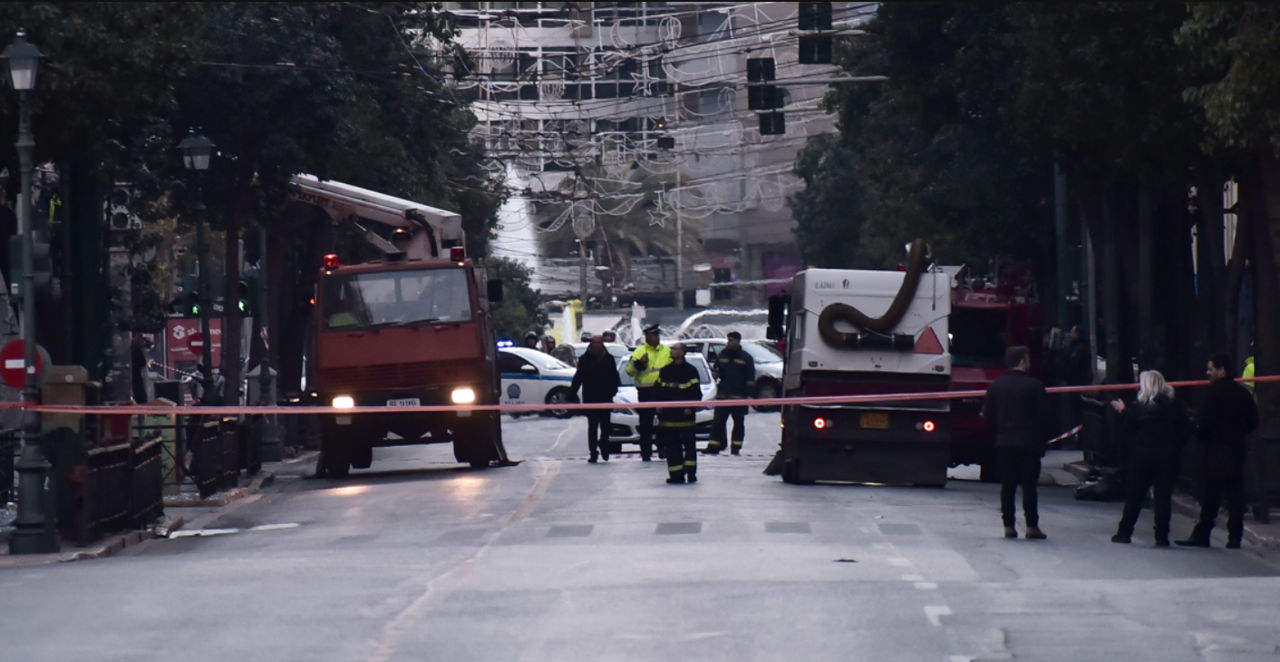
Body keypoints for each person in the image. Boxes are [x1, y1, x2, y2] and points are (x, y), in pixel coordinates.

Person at [1176, 353, 1260, 549]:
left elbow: (1205, 422)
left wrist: (1202, 436)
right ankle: (1235, 537)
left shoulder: (1213, 393)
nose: (1208, 372)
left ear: (1221, 370)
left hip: (1215, 450)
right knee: (1235, 495)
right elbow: (1253, 421)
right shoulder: (1243, 394)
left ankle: (1202, 534)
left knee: (1211, 495)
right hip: (1236, 449)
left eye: (1211, 368)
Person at [1109, 370, 1189, 546]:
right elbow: (1185, 431)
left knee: (1135, 495)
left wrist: (1123, 412)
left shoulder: (1140, 406)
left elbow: (1129, 427)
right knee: (1163, 497)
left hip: (1143, 455)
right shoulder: (1174, 406)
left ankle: (1124, 532)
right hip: (1168, 455)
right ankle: (1162, 536)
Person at [981, 345, 1051, 540]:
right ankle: (1031, 525)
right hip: (1029, 443)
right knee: (1029, 485)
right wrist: (1043, 441)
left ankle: (1009, 525)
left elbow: (988, 415)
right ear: (1022, 361)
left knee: (1007, 485)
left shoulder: (996, 385)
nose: (1030, 363)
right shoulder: (1035, 386)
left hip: (1004, 442)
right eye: (1028, 359)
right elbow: (1044, 417)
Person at [625, 324, 672, 462]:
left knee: (665, 422)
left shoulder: (666, 351)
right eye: (653, 335)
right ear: (647, 336)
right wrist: (640, 363)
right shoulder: (639, 352)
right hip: (645, 391)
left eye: (657, 335)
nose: (656, 337)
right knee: (645, 424)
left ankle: (662, 449)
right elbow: (629, 371)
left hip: (663, 391)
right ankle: (646, 452)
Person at [570, 337, 621, 463]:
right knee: (592, 426)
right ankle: (593, 452)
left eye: (599, 343)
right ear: (591, 345)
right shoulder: (584, 359)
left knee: (606, 426)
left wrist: (613, 391)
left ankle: (603, 444)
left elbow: (614, 376)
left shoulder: (609, 359)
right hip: (591, 398)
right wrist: (572, 394)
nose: (597, 346)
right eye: (594, 343)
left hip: (605, 398)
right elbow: (578, 377)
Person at [657, 342, 701, 483]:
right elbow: (658, 390)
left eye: (674, 349)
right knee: (672, 448)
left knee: (689, 447)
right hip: (668, 418)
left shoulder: (691, 371)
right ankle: (676, 475)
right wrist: (658, 406)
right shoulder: (665, 371)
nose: (671, 351)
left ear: (682, 352)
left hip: (685, 417)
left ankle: (691, 473)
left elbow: (696, 393)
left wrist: (690, 408)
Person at [707, 331, 755, 455]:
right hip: (723, 396)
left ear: (738, 341)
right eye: (728, 340)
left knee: (738, 423)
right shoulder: (722, 355)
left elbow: (750, 378)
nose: (728, 343)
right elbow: (717, 369)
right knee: (718, 422)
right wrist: (715, 374)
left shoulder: (746, 358)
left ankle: (736, 447)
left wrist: (749, 395)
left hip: (739, 397)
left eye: (731, 340)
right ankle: (714, 446)